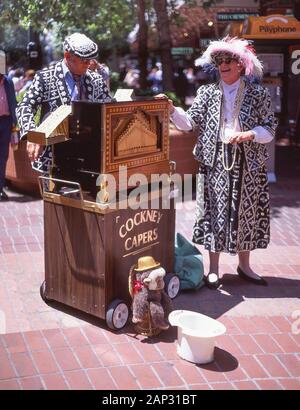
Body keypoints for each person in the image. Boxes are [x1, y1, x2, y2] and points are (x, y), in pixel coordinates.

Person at [158, 36, 278, 288]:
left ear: (241, 64)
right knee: (214, 213)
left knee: (247, 213)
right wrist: (172, 110)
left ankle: (245, 266)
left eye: (228, 60)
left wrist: (249, 134)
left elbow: (270, 127)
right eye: (219, 61)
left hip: (248, 162)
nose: (223, 64)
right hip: (214, 161)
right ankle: (213, 269)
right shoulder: (207, 92)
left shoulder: (257, 93)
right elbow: (190, 124)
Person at [16, 32, 112, 173]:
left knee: (90, 195)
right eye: (84, 60)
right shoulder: (45, 77)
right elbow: (25, 106)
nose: (88, 64)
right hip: (54, 158)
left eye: (90, 60)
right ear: (67, 56)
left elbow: (109, 108)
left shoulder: (96, 80)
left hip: (90, 157)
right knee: (53, 195)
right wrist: (32, 135)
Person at [0, 50, 18, 201]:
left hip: (6, 123)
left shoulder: (9, 82)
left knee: (3, 156)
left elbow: (13, 102)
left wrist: (15, 123)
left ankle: (0, 188)